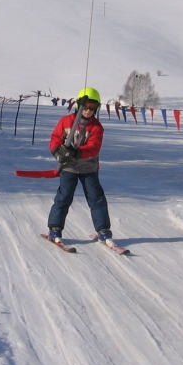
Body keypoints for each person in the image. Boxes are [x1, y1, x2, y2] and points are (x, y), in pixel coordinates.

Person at [47, 87, 117, 248]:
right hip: (69, 167)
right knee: (64, 197)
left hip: (88, 168)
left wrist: (77, 152)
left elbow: (93, 148)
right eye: (85, 106)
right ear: (79, 105)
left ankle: (103, 230)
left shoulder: (97, 127)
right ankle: (55, 228)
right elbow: (55, 138)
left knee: (96, 198)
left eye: (92, 107)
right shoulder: (66, 121)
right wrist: (57, 151)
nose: (88, 110)